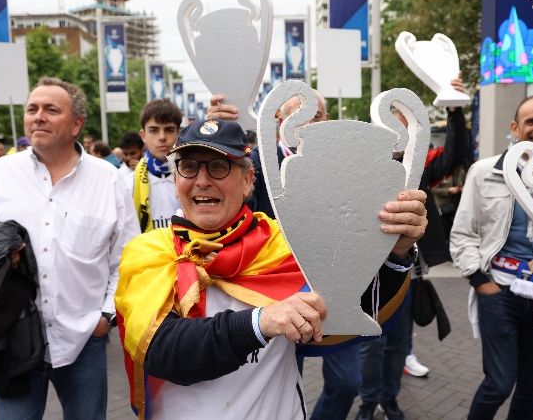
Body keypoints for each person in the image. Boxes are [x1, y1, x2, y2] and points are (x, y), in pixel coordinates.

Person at [116, 117, 427, 419]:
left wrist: (396, 251)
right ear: (175, 181)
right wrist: (261, 322)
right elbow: (163, 352)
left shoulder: (286, 242)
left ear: (248, 180)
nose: (202, 180)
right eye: (188, 166)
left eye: (219, 166)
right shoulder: (148, 254)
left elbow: (353, 311)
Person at [0, 77, 140, 419]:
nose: (38, 117)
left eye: (51, 110)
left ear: (76, 124)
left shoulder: (107, 179)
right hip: (11, 337)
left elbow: (128, 256)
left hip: (83, 339)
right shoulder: (1, 174)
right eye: (32, 109)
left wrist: (105, 317)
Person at [208, 91, 364, 420]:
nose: (313, 121)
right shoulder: (257, 165)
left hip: (329, 294)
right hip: (273, 295)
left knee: (348, 382)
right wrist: (216, 130)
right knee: (279, 383)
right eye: (302, 114)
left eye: (319, 115)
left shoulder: (343, 168)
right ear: (279, 122)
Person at [449, 95, 533, 420]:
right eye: (532, 121)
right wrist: (481, 282)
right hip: (500, 291)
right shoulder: (485, 172)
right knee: (499, 382)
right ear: (515, 127)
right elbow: (462, 234)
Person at [356, 79, 469, 420]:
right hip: (367, 272)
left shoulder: (417, 165)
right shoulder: (360, 167)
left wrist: (454, 107)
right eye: (394, 119)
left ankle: (389, 399)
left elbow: (455, 155)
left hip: (407, 273)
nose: (400, 127)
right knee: (369, 344)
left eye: (406, 120)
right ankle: (367, 402)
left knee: (398, 344)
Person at [125, 98, 182, 232]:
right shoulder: (127, 185)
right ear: (143, 135)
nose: (162, 137)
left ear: (178, 134)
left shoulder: (193, 180)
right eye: (154, 130)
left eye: (169, 130)